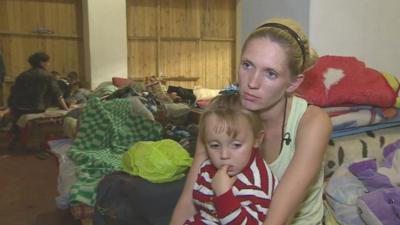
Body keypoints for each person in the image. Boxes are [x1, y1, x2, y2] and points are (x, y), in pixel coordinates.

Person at [170, 18, 332, 225]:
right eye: (247, 65)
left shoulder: (312, 123)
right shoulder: (221, 117)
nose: (252, 83)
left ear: (293, 82)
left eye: (270, 73)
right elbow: (189, 202)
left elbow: (278, 219)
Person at [184, 93, 278, 224]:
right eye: (215, 145)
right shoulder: (208, 166)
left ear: (257, 139)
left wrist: (223, 196)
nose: (224, 155)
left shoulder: (256, 185)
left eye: (236, 145)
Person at [7, 52, 69, 149]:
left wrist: (11, 107)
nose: (49, 64)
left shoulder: (22, 75)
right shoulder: (48, 76)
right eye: (48, 62)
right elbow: (58, 95)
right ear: (42, 63)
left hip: (18, 108)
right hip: (37, 108)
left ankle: (16, 135)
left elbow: (14, 93)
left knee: (19, 114)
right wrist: (66, 109)